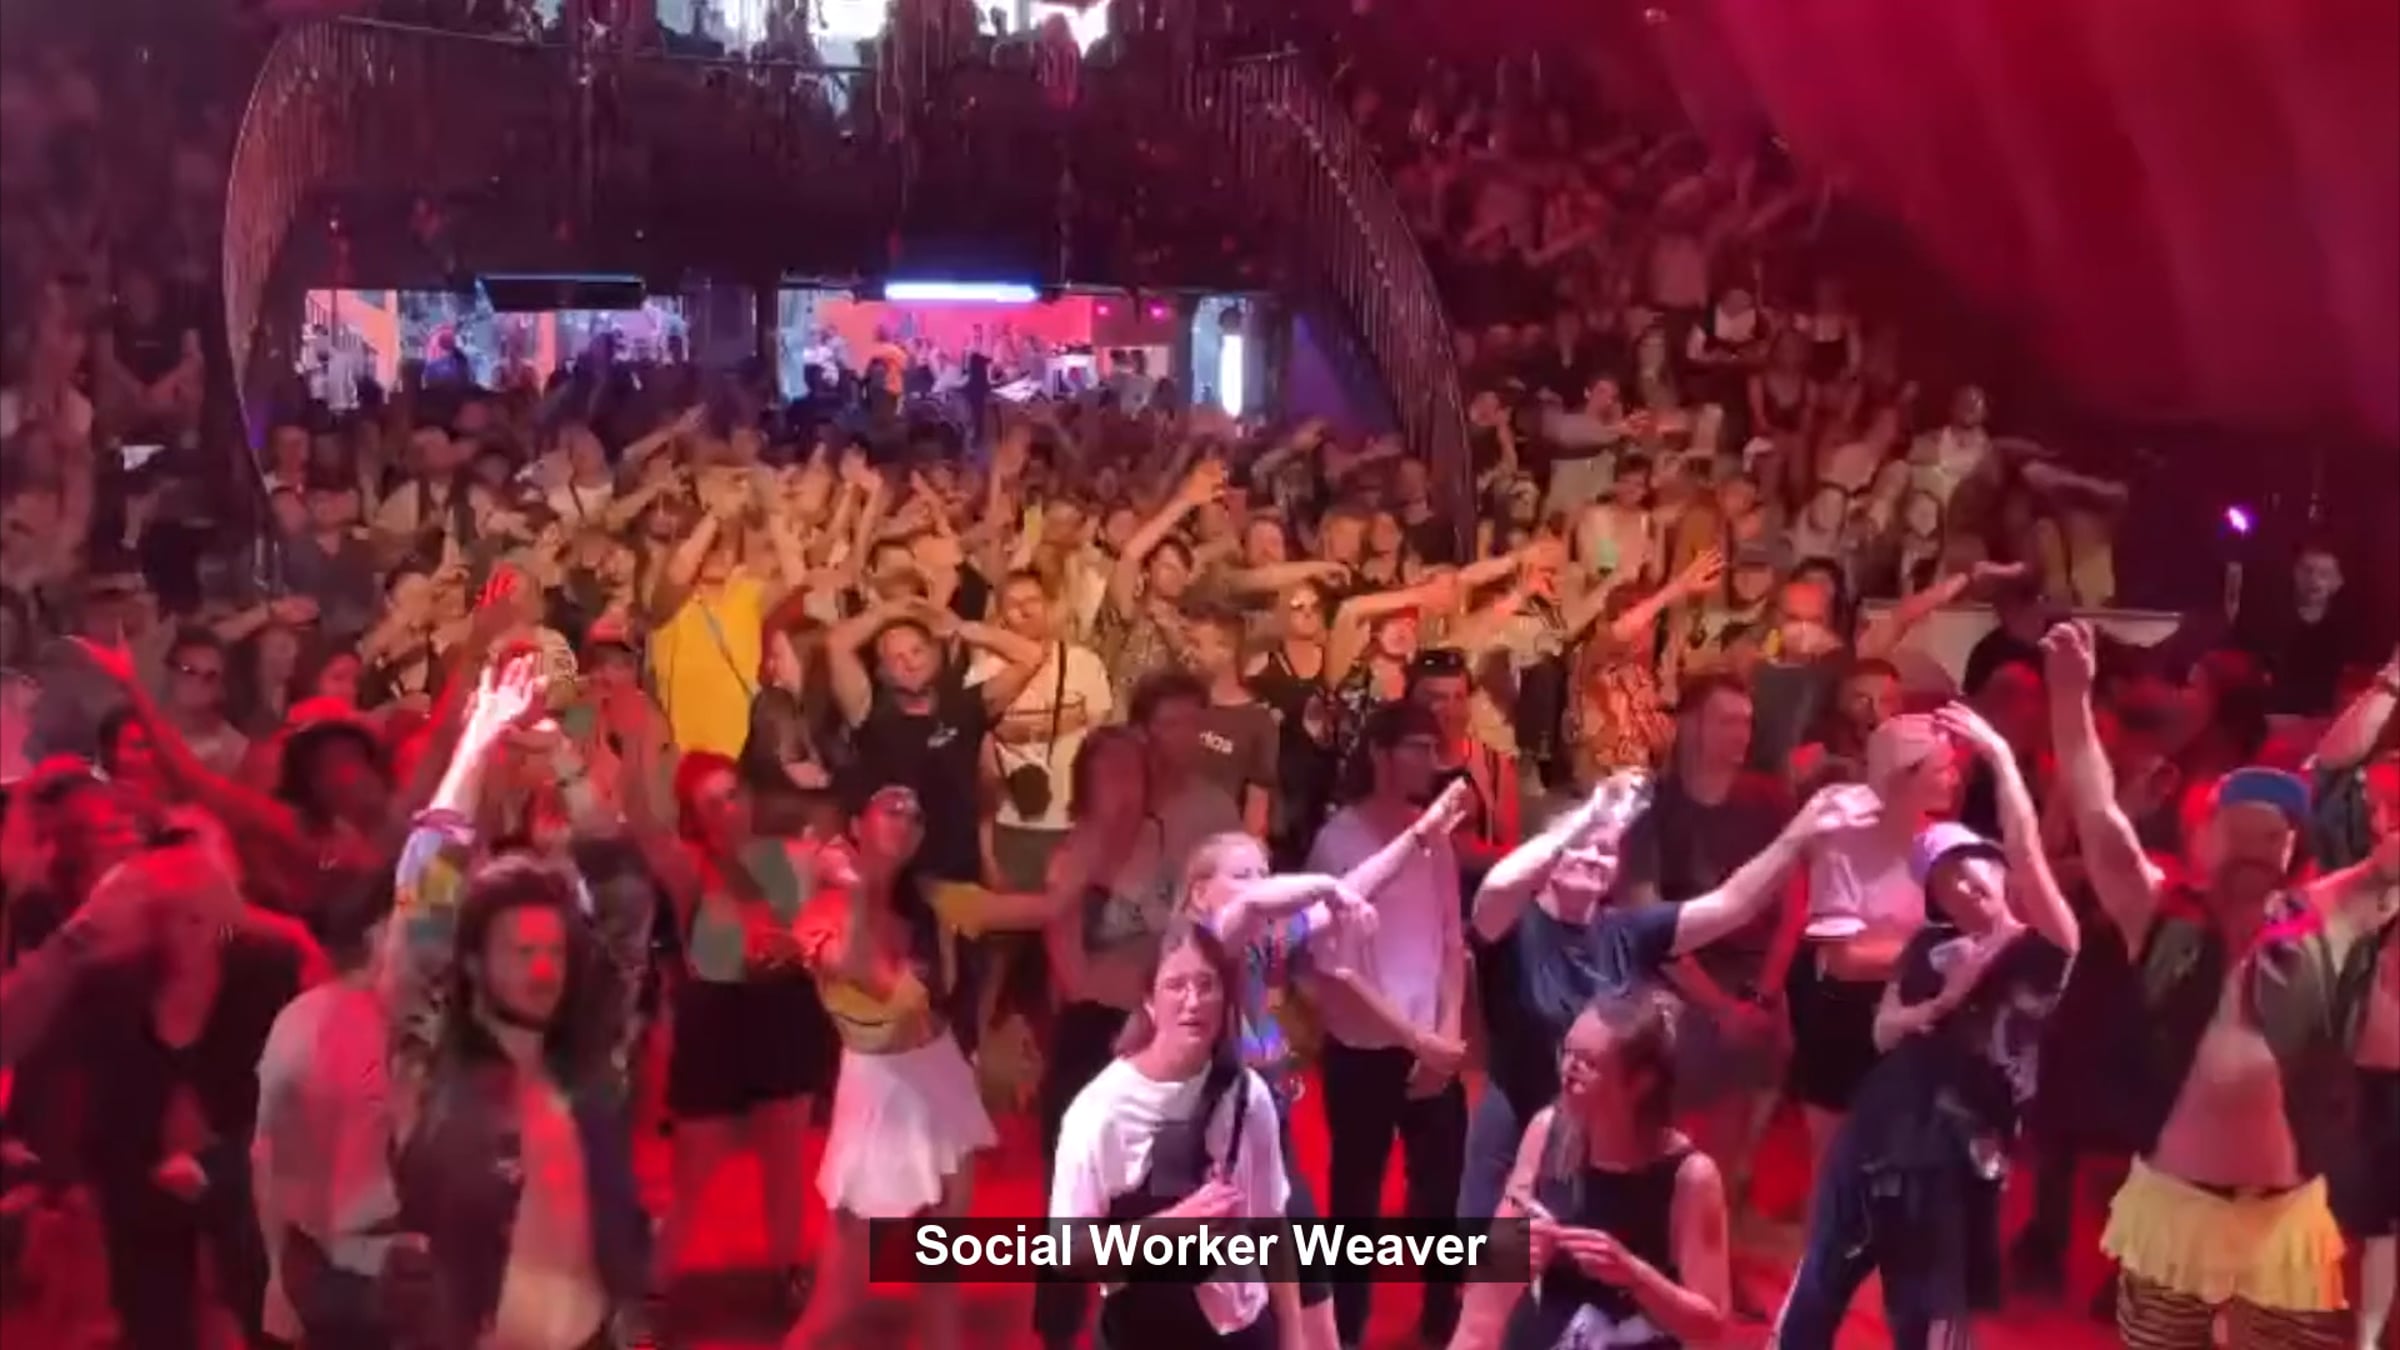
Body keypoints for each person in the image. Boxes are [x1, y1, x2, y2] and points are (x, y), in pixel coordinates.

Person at [2047, 621, 2400, 1349]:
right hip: (2176, 1207)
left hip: (2285, 1221)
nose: (2258, 843)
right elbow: (2096, 812)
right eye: (2239, 827)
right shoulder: (2157, 911)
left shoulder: (2321, 915)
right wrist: (2070, 699)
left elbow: (2387, 857)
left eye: (2275, 833)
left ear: (2294, 847)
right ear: (2201, 836)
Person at [1774, 703, 2080, 1348]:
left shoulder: (2039, 948)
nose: (1962, 887)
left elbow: (2028, 850)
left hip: (1956, 1151)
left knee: (1931, 1306)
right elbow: (1879, 1021)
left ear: (2001, 868)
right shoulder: (1926, 947)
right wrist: (1940, 997)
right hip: (1879, 1123)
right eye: (1944, 883)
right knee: (1825, 1273)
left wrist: (2001, 756)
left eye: (1971, 870)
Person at [381, 655, 655, 1350]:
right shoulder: (431, 1063)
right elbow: (424, 888)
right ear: (473, 962)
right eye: (519, 951)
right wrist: (478, 742)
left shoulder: (589, 1062)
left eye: (553, 952)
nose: (541, 969)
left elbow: (622, 891)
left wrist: (562, 758)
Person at [0, 835, 322, 1350]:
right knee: (153, 1316)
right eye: (165, 917)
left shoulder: (267, 973)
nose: (179, 933)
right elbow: (61, 1084)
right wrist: (68, 1176)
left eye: (194, 916)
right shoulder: (109, 986)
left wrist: (219, 1166)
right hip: (137, 1186)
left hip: (248, 1180)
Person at [784, 786, 994, 1350]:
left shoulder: (924, 902)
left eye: (916, 815)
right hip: (878, 1096)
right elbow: (856, 967)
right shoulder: (824, 908)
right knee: (841, 1301)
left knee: (940, 1275)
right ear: (857, 824)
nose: (906, 821)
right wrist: (856, 890)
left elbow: (1025, 910)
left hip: (939, 1079)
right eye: (892, 810)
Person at [1303, 700, 1470, 1348]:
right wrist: (1412, 1037)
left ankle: (1441, 1322)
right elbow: (1332, 965)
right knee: (1356, 1199)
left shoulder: (1435, 837)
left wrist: (1445, 1034)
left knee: (1442, 1198)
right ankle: (1345, 1331)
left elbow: (1452, 940)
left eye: (1434, 749)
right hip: (1365, 1047)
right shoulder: (1338, 841)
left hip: (1432, 1048)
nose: (1430, 761)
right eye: (1416, 748)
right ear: (1380, 754)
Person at [1050, 917, 1289, 1347]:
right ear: (1149, 1000)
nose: (1193, 1002)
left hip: (1239, 1330)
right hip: (1142, 1333)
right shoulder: (1101, 1111)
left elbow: (1272, 1226)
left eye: (1207, 985)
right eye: (1176, 986)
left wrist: (1295, 1338)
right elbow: (1068, 1250)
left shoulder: (1247, 1096)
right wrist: (1171, 1226)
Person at [1449, 991, 1731, 1350]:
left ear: (1640, 1082)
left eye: (1589, 1063)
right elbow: (1484, 1305)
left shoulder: (1689, 1177)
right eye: (1566, 1053)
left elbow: (1710, 1325)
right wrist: (1514, 1255)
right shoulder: (1546, 1133)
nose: (1568, 1071)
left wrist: (1634, 1276)